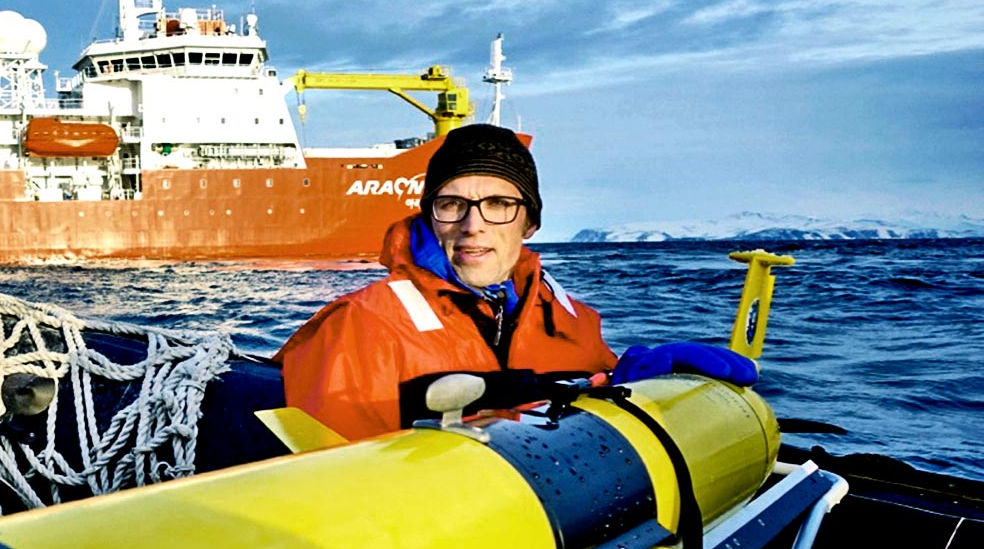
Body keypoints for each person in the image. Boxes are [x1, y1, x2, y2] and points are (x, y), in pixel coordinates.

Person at [276, 124, 753, 440]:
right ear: (430, 215)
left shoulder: (568, 318)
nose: (473, 225)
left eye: (499, 204)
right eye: (452, 203)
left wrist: (644, 387)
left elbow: (591, 403)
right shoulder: (362, 327)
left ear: (529, 223)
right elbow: (334, 485)